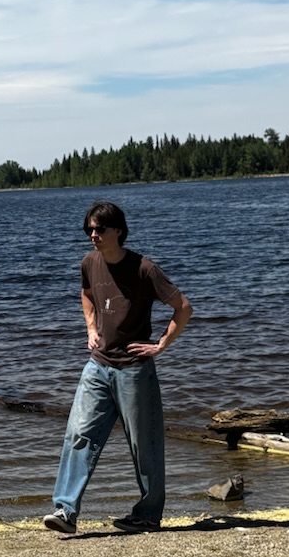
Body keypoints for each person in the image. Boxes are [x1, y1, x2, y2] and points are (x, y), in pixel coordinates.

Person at [43, 200, 192, 536]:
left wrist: (161, 345)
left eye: (100, 229)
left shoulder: (144, 268)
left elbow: (183, 308)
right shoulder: (89, 262)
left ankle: (147, 515)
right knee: (79, 434)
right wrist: (91, 328)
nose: (93, 235)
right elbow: (86, 294)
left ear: (119, 231)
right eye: (89, 229)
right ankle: (65, 510)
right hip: (97, 366)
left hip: (134, 369)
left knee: (144, 445)